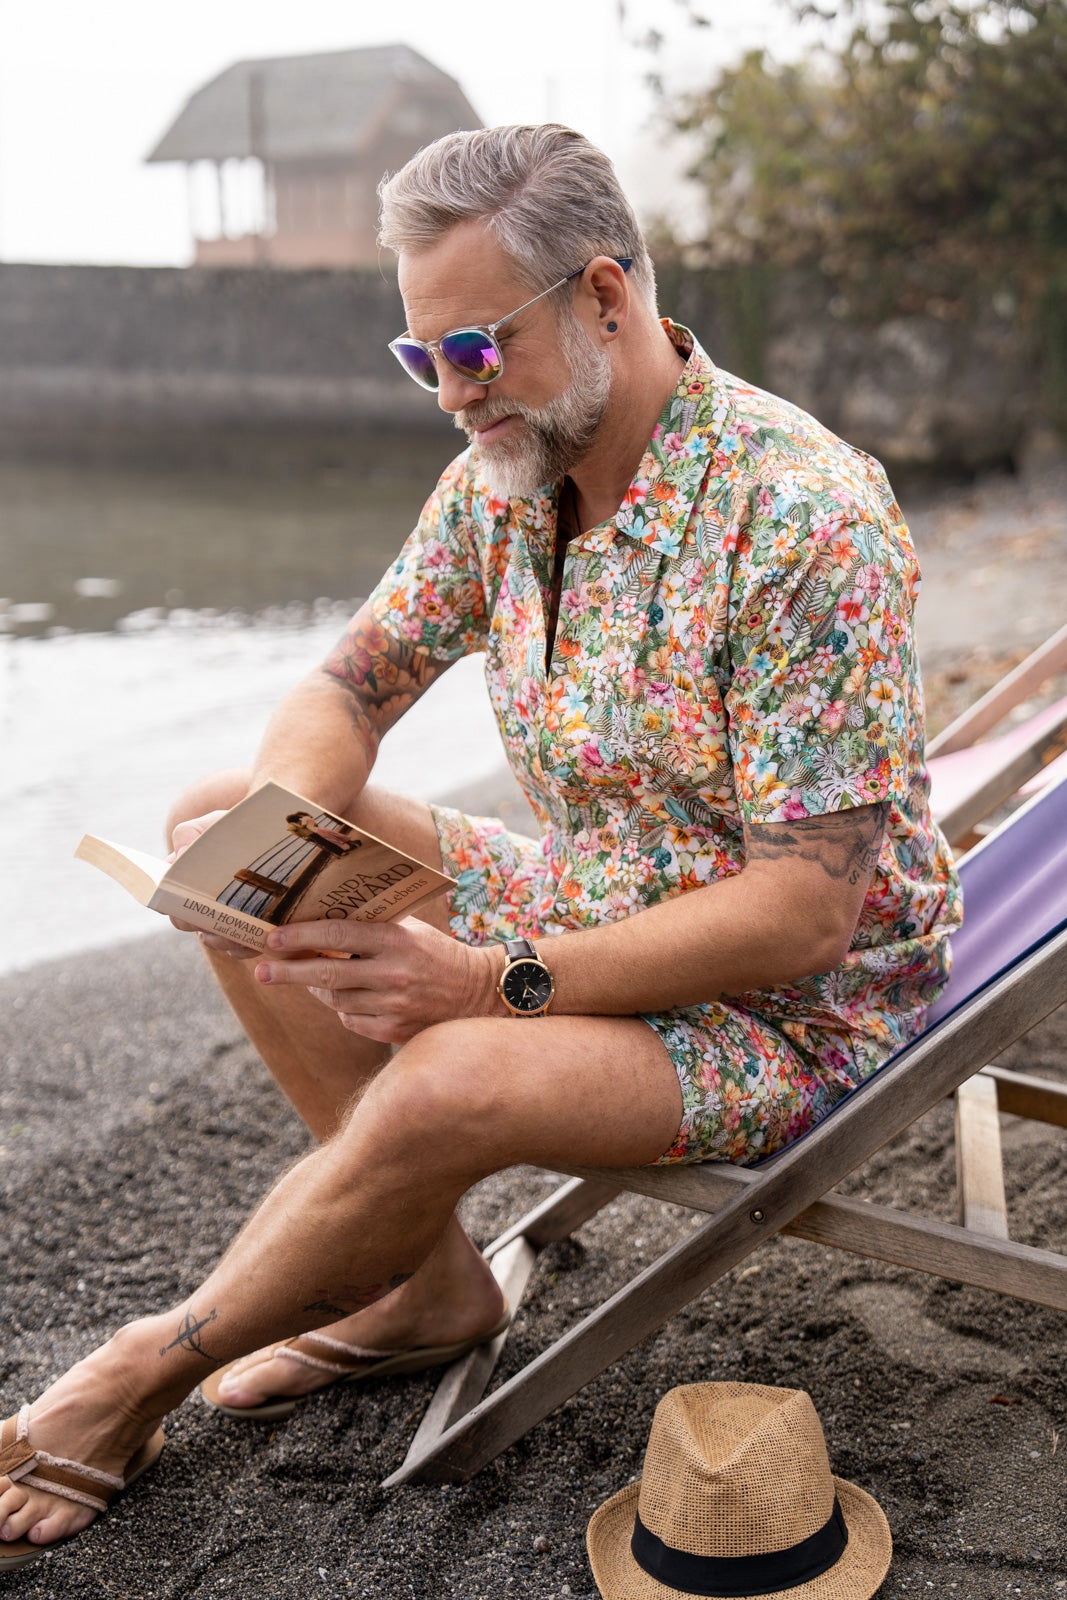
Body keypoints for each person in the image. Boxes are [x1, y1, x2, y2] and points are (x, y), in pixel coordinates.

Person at [0, 123, 960, 1567]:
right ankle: (426, 1290)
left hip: (791, 1007)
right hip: (601, 892)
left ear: (606, 297)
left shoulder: (801, 518)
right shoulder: (507, 476)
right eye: (420, 358)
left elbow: (801, 919)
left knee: (447, 1075)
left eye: (474, 346)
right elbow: (347, 687)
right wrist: (289, 828)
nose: (451, 396)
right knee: (228, 833)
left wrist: (494, 982)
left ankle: (149, 1364)